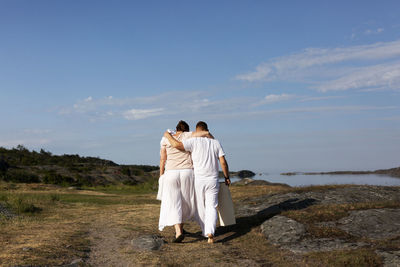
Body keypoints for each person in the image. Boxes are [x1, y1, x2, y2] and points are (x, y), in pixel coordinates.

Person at [164, 121, 231, 244]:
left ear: (196, 131)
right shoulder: (216, 143)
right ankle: (210, 232)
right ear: (207, 130)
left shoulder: (193, 141)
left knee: (201, 206)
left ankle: (205, 230)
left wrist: (167, 136)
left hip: (199, 179)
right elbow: (223, 162)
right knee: (212, 206)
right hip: (213, 179)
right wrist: (227, 177)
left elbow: (177, 145)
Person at [158, 120, 212, 243]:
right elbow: (205, 133)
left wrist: (161, 175)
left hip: (171, 173)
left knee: (174, 203)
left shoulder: (165, 139)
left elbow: (162, 159)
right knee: (184, 202)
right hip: (187, 172)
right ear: (186, 129)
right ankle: (183, 229)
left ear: (176, 129)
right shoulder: (189, 135)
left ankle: (178, 232)